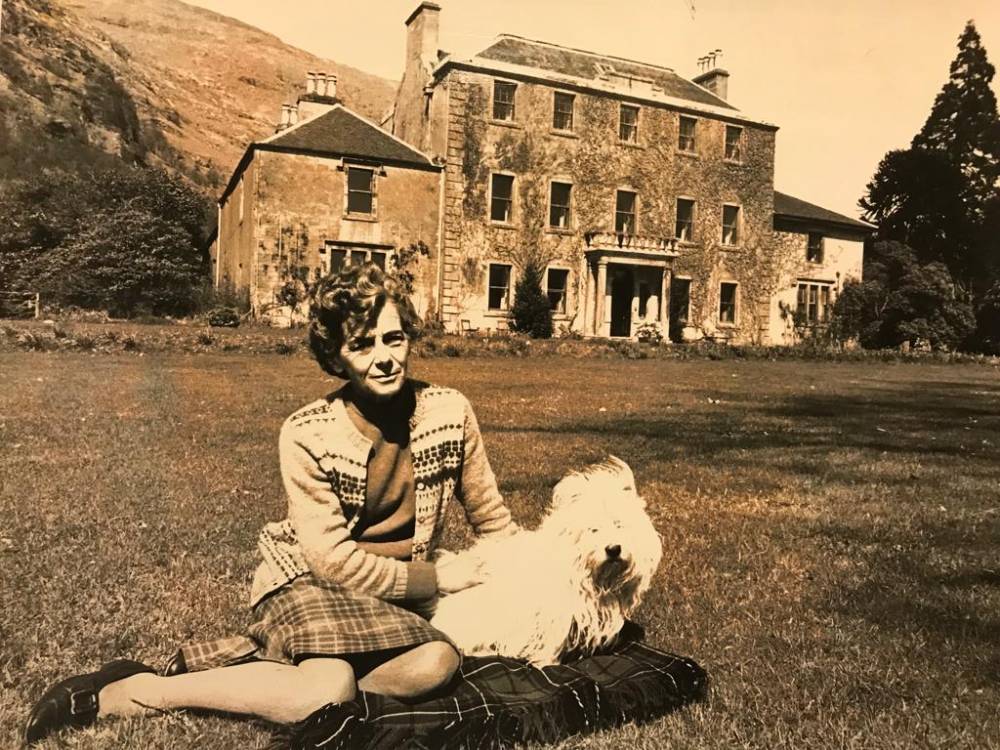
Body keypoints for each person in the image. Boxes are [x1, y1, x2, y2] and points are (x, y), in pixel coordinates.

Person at [24, 263, 517, 745]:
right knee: (328, 688)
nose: (384, 357)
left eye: (394, 338)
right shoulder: (308, 432)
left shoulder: (450, 411)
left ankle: (287, 683)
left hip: (391, 595)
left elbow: (493, 521)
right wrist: (436, 578)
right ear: (336, 357)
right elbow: (332, 562)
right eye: (361, 345)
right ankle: (134, 690)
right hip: (308, 579)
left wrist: (537, 585)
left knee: (435, 663)